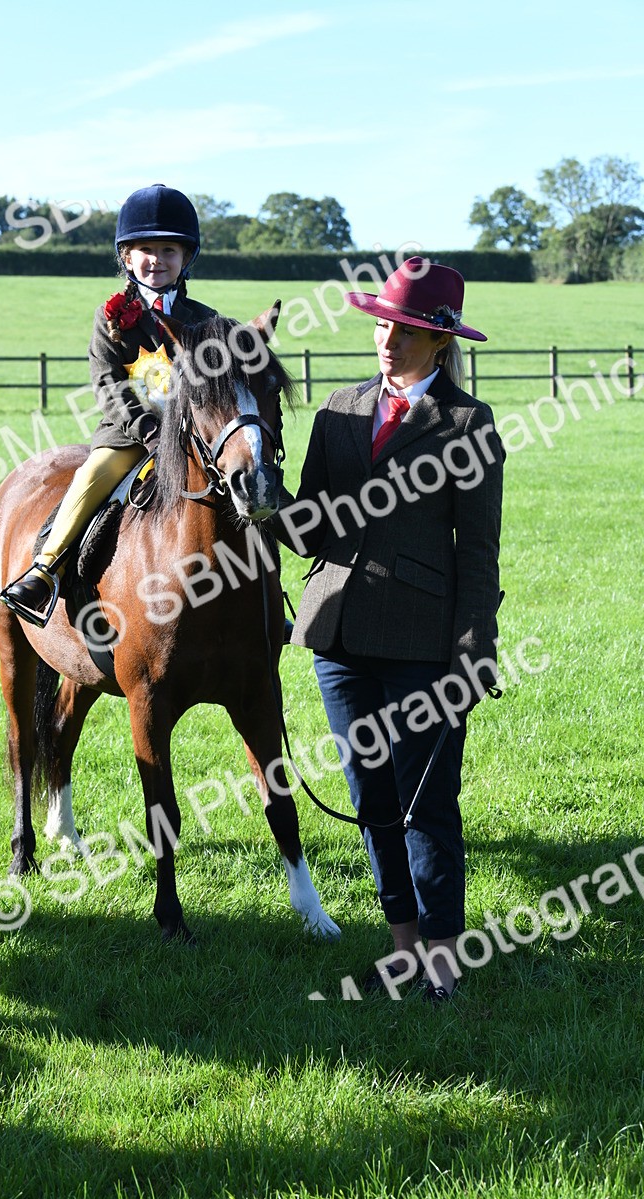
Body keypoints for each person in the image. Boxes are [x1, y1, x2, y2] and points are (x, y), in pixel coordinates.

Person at [274, 257, 504, 1002]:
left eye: (405, 331)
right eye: (382, 324)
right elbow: (311, 529)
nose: (387, 340)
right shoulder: (338, 409)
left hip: (423, 646)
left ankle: (444, 958)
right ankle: (401, 948)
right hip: (336, 639)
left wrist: (474, 654)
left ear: (440, 342)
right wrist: (262, 505)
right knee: (371, 801)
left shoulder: (470, 423)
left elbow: (479, 553)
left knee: (425, 806)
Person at [2, 184, 216, 625]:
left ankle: (262, 598)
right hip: (128, 438)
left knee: (237, 485)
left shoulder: (206, 320)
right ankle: (45, 568)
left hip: (193, 439)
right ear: (127, 256)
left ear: (186, 257)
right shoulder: (112, 317)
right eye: (146, 249)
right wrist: (149, 431)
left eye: (169, 250)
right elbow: (108, 385)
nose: (157, 259)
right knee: (92, 477)